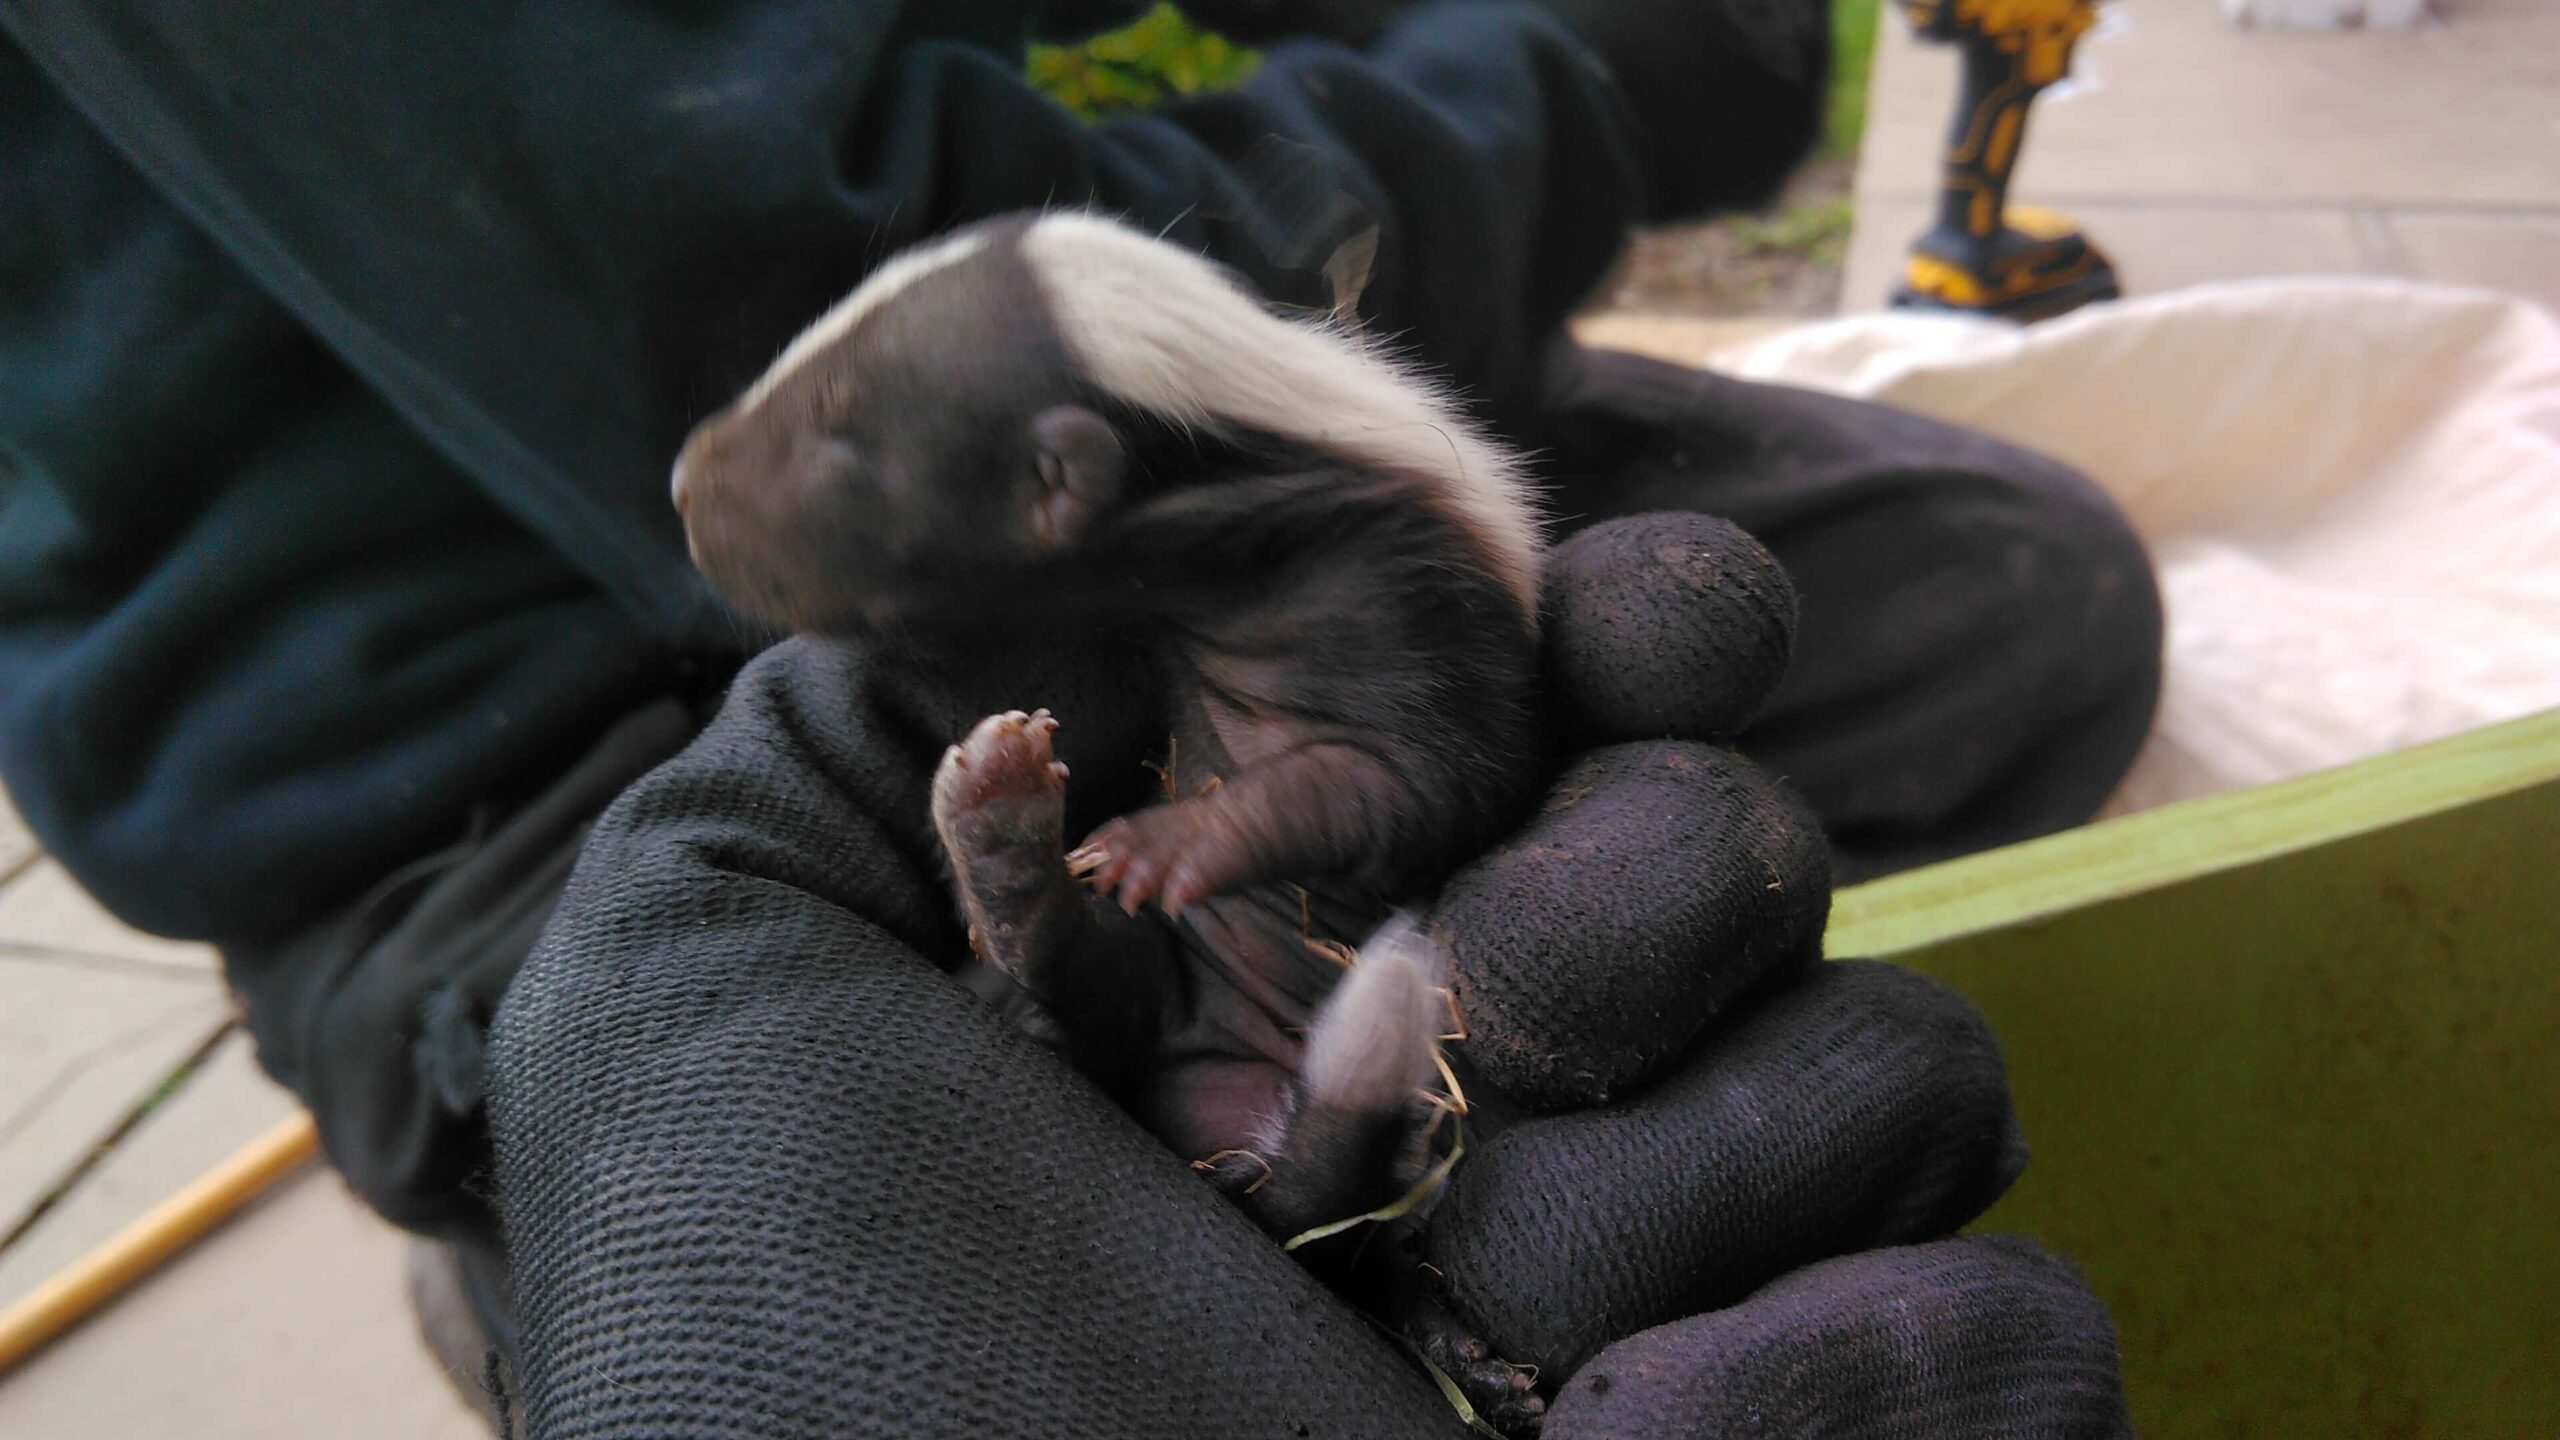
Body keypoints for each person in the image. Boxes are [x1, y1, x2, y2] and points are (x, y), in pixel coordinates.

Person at [0, 1, 2160, 1434]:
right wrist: (1584, 78)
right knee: (863, 1123)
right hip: (542, 695)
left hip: (1166, 516)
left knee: (2015, 598)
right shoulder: (951, 446)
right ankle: (547, 1223)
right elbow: (792, 309)